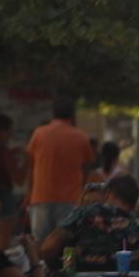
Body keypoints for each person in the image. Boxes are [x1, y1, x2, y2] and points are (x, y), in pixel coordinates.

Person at [39, 175, 139, 273]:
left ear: (108, 193)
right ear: (135, 205)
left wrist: (58, 271)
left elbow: (48, 248)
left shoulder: (84, 214)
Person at [25, 97, 99, 241]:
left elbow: (31, 165)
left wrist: (29, 194)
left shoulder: (39, 134)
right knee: (65, 243)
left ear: (53, 113)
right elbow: (86, 168)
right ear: (72, 115)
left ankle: (39, 264)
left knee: (40, 242)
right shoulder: (81, 137)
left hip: (41, 196)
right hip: (70, 198)